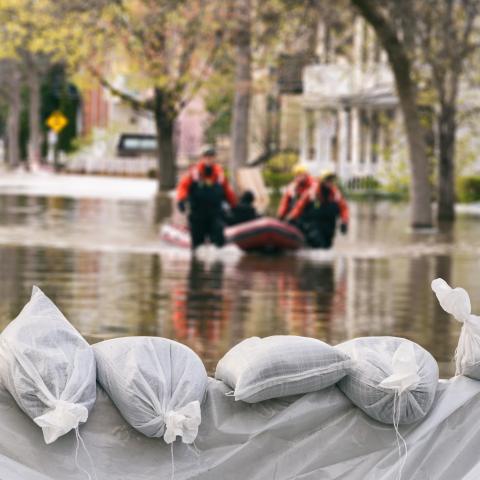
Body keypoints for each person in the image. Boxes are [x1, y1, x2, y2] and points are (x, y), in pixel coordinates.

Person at [176, 147, 237, 249]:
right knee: (197, 245)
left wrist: (234, 206)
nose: (209, 159)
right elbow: (183, 187)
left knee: (218, 240)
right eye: (207, 157)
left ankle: (218, 262)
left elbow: (228, 192)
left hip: (215, 213)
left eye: (211, 157)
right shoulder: (194, 173)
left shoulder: (219, 174)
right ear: (202, 158)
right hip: (198, 214)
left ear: (214, 158)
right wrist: (181, 200)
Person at [287, 171, 349, 249]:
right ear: (322, 181)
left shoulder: (336, 194)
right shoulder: (312, 192)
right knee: (318, 244)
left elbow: (344, 208)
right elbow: (299, 206)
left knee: (327, 247)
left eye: (331, 180)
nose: (330, 182)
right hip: (313, 225)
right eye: (328, 180)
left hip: (329, 227)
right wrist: (291, 218)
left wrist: (344, 222)